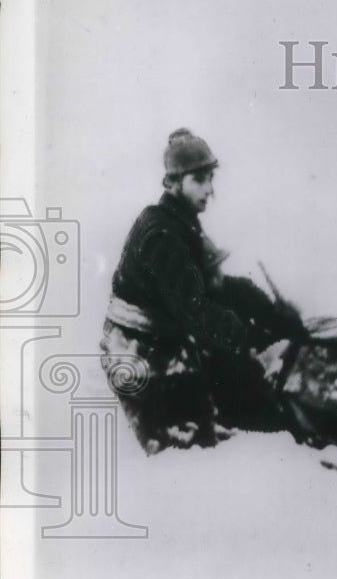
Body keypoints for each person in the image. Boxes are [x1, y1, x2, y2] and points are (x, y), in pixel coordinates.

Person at [100, 128, 309, 453]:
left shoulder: (179, 222)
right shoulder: (162, 235)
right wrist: (248, 338)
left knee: (231, 409)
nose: (210, 189)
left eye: (211, 178)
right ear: (171, 182)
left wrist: (271, 314)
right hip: (140, 357)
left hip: (163, 343)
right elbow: (195, 310)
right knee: (190, 453)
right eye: (199, 179)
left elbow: (216, 289)